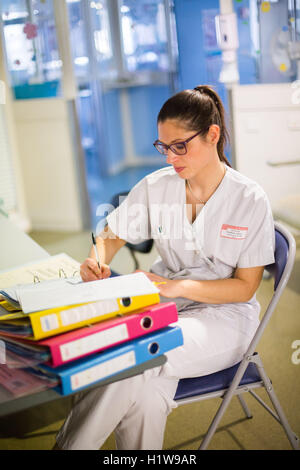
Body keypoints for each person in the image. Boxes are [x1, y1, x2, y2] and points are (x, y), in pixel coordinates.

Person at [54, 85, 275, 450]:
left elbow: (245, 287)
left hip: (225, 318)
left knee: (133, 353)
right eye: (163, 147)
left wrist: (180, 288)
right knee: (145, 396)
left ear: (213, 134)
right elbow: (110, 235)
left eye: (179, 146)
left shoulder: (248, 199)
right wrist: (97, 259)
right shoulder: (157, 187)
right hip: (164, 304)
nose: (170, 158)